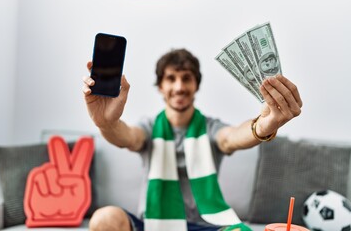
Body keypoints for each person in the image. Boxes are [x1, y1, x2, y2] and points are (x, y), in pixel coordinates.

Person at [82, 48, 302, 231]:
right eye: (171, 79)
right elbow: (127, 137)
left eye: (186, 78)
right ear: (161, 87)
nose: (179, 87)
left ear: (196, 85)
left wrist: (264, 125)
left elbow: (232, 137)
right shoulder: (149, 128)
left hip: (206, 225)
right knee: (104, 219)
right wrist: (105, 123)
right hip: (153, 224)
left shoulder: (210, 128)